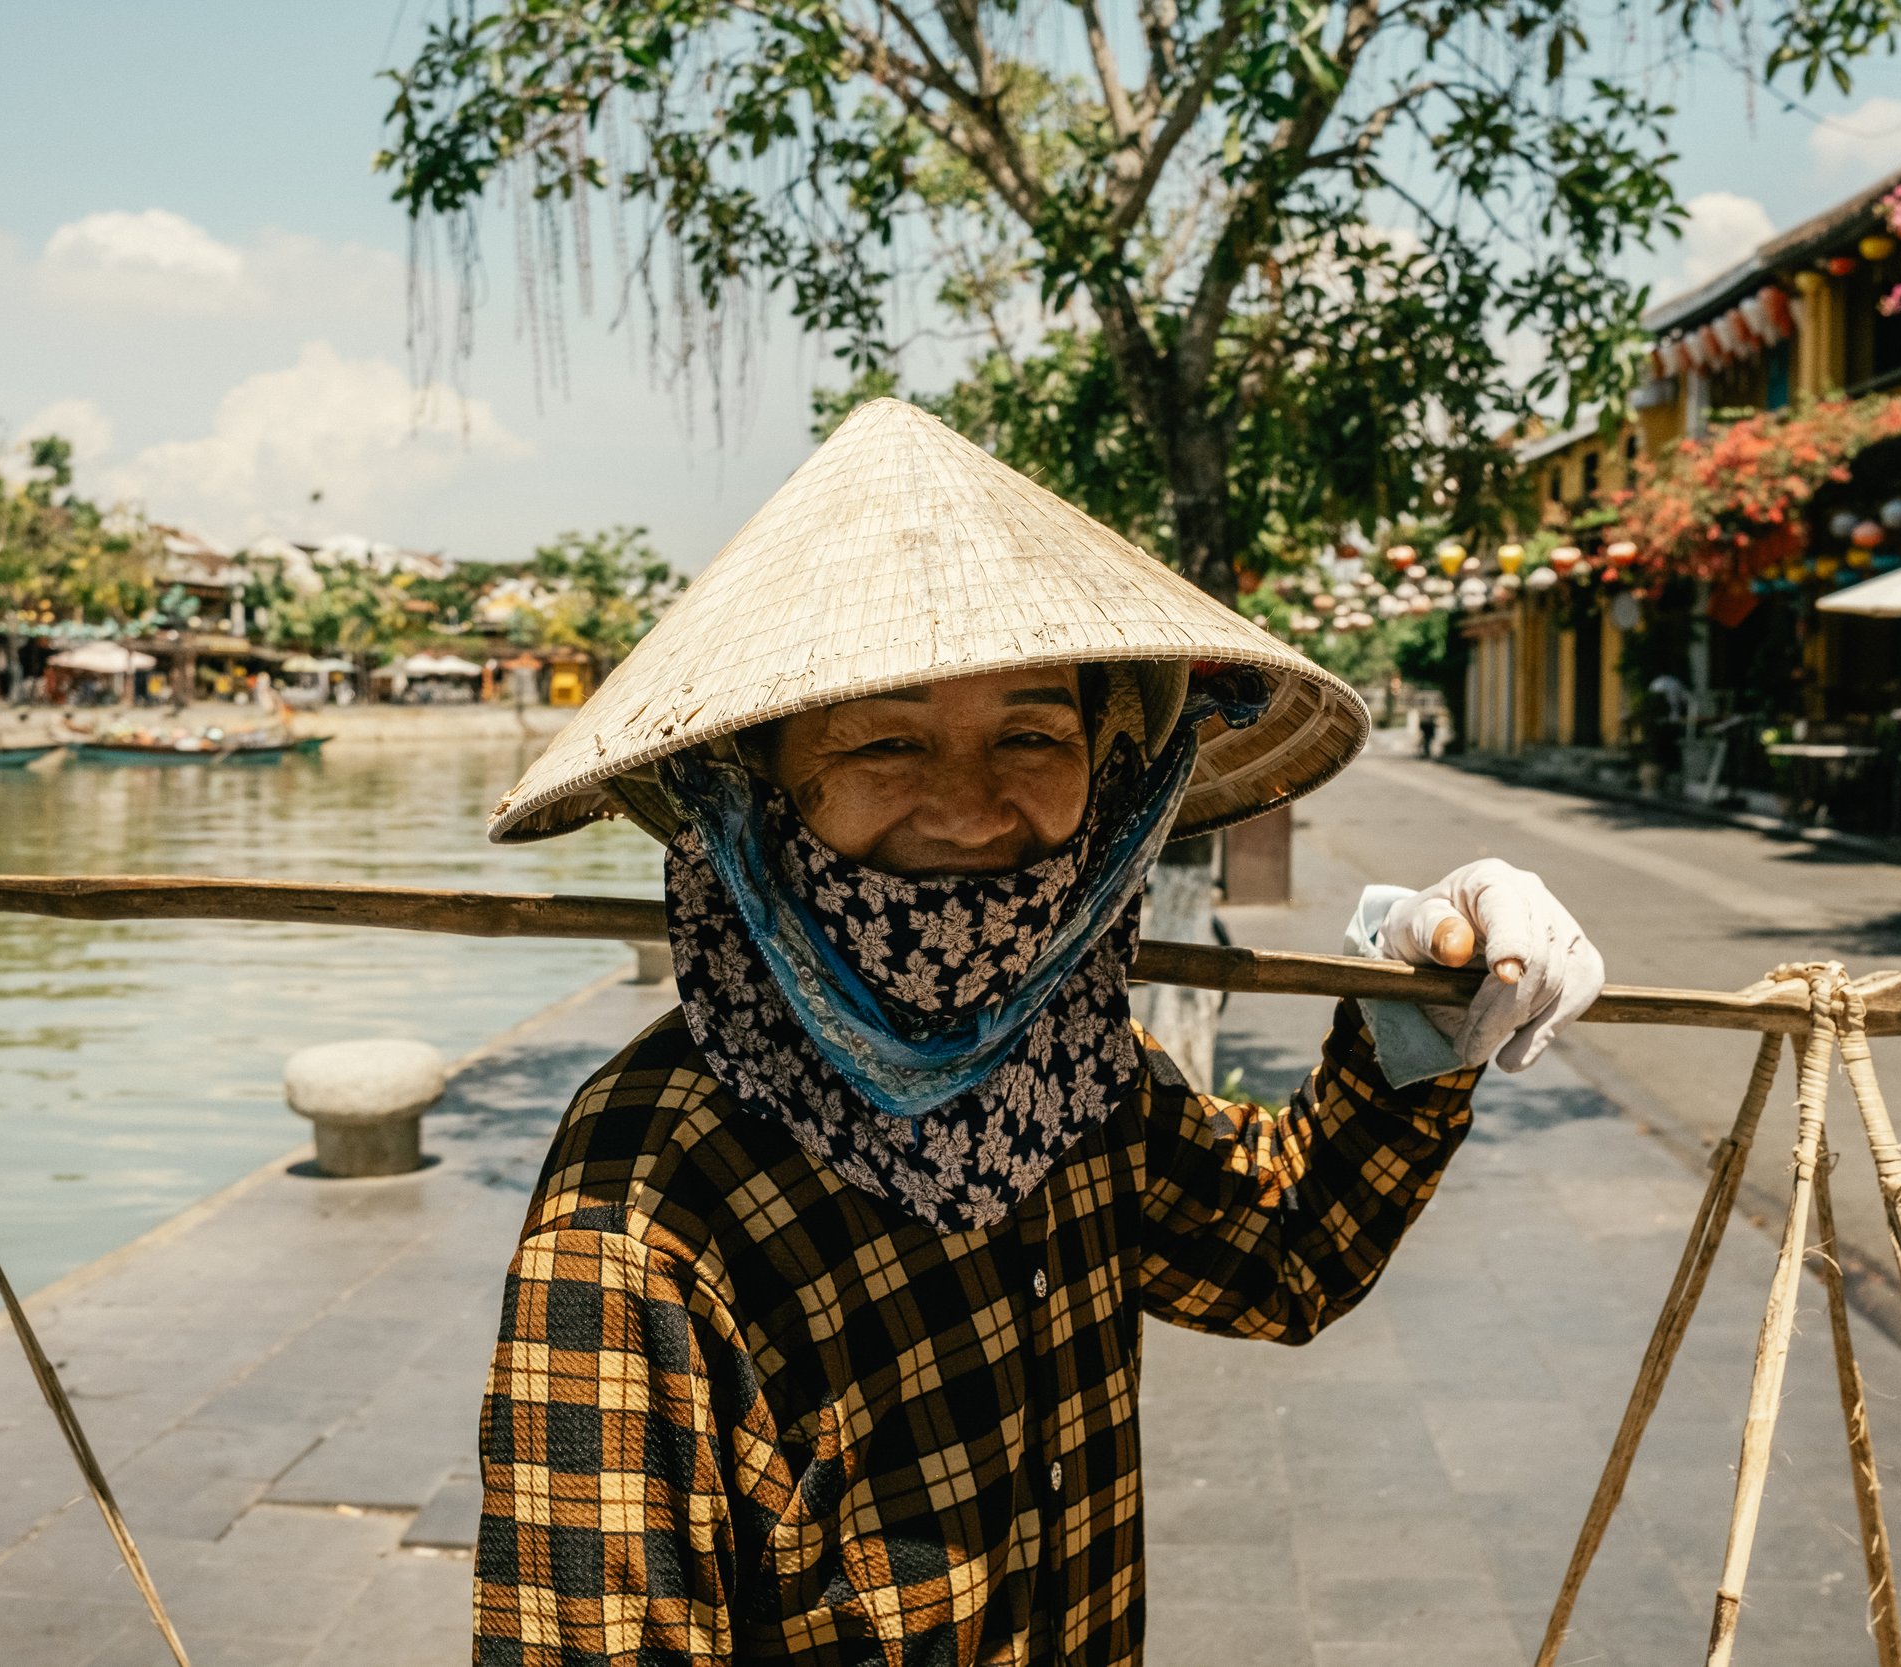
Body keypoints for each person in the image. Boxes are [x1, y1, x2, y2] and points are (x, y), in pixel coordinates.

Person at [472, 400, 1604, 1667]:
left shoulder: (1071, 1064)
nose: (968, 810)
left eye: (1032, 734)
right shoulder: (642, 1194)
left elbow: (1286, 1251)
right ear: (752, 790)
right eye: (885, 739)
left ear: (1112, 779)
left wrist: (1429, 988)